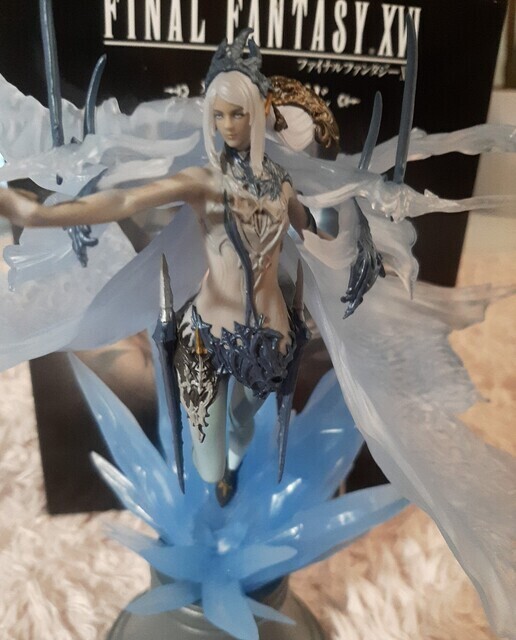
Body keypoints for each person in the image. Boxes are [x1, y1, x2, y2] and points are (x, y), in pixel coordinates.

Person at [0, 29, 514, 634]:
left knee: (242, 438)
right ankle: (216, 496)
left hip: (272, 342)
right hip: (206, 340)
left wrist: (376, 218)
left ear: (258, 116)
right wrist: (35, 213)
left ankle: (230, 497)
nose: (227, 126)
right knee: (209, 461)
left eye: (237, 114)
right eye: (217, 115)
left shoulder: (281, 186)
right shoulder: (203, 184)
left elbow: (323, 229)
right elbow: (116, 204)